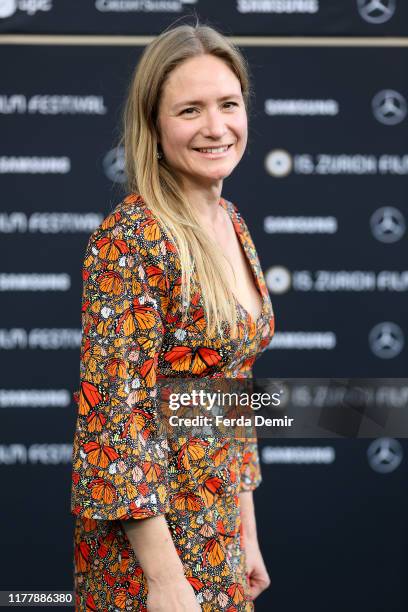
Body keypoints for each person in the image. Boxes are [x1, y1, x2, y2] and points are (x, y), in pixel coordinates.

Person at [71, 21, 275, 611]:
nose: (216, 127)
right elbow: (114, 421)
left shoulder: (230, 221)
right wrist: (165, 580)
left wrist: (245, 536)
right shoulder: (132, 240)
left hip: (217, 538)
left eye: (228, 104)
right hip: (150, 559)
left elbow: (230, 394)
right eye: (190, 110)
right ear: (154, 126)